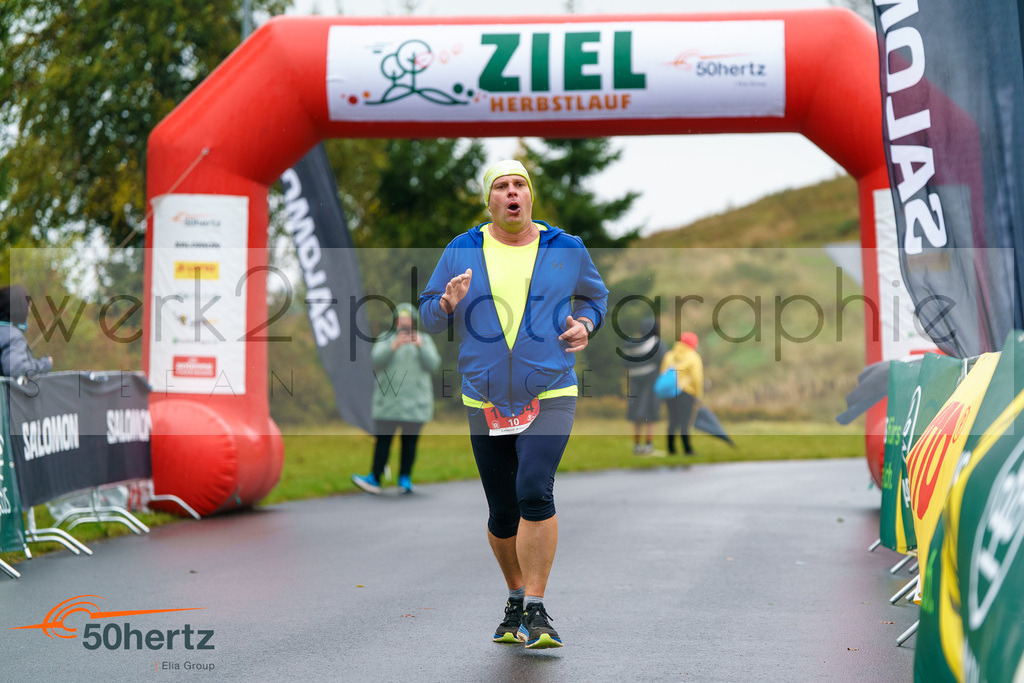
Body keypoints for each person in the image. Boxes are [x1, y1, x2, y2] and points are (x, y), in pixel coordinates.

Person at [419, 159, 608, 649]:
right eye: (501, 186)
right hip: (483, 395)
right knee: (502, 512)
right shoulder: (462, 249)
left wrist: (585, 323)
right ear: (490, 201)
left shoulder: (565, 248)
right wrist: (444, 304)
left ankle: (538, 610)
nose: (511, 193)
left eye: (519, 185)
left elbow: (596, 298)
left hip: (551, 387)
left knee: (533, 489)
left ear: (530, 196)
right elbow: (428, 317)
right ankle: (515, 596)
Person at [352, 303, 440, 495]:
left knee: (410, 443)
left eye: (408, 319)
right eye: (400, 319)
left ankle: (405, 479)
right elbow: (376, 359)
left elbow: (434, 363)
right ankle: (374, 478)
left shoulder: (424, 340)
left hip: (415, 404)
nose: (404, 323)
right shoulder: (386, 339)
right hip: (389, 403)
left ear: (414, 321)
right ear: (395, 321)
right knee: (383, 442)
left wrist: (420, 346)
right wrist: (394, 346)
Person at [620, 316, 666, 455]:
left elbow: (625, 363)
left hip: (634, 380)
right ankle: (648, 446)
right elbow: (664, 360)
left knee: (635, 414)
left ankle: (637, 446)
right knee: (650, 413)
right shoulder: (656, 343)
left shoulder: (630, 343)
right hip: (651, 380)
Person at [660, 331, 704, 456]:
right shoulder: (693, 356)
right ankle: (687, 449)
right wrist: (698, 394)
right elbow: (697, 378)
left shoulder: (669, 355)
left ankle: (671, 449)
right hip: (686, 392)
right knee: (684, 422)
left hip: (670, 393)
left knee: (672, 420)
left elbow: (663, 372)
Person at [0, 285, 52, 378]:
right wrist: (44, 364)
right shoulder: (13, 336)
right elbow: (16, 368)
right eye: (27, 304)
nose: (29, 308)